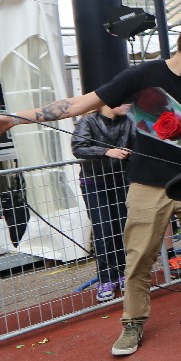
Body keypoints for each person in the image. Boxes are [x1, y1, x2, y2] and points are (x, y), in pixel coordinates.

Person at [0, 20, 181, 355]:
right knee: (138, 259)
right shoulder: (142, 75)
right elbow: (78, 104)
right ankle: (132, 323)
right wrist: (14, 118)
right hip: (148, 186)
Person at [71, 103, 135, 301]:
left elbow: (141, 143)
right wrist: (106, 151)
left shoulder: (130, 120)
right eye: (124, 100)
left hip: (122, 181)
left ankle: (124, 274)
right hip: (94, 183)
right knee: (103, 230)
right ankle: (106, 279)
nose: (129, 104)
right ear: (109, 101)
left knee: (124, 228)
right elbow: (78, 148)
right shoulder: (88, 121)